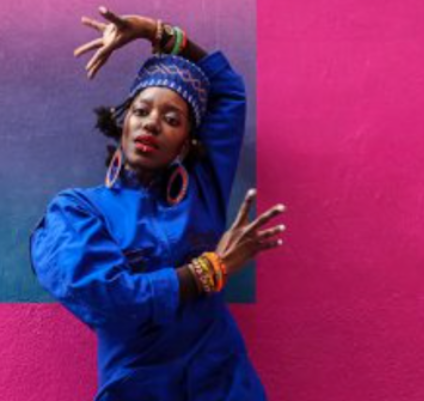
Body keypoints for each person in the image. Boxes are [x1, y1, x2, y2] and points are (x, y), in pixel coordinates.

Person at [29, 6, 287, 400]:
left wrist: (157, 32)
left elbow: (228, 91)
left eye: (172, 118)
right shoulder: (77, 211)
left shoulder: (203, 189)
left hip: (225, 386)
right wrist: (209, 270)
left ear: (185, 143)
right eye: (141, 111)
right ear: (123, 123)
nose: (152, 122)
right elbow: (107, 299)